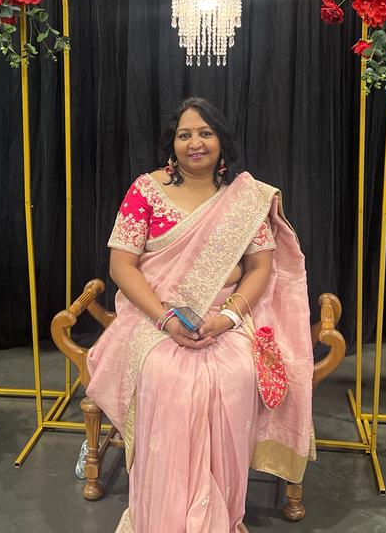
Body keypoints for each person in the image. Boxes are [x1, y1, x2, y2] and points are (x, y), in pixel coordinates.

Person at [86, 97, 314, 533]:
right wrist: (166, 319)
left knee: (235, 374)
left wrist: (228, 317)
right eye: (185, 134)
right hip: (153, 316)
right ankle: (161, 516)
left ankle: (220, 515)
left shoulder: (244, 198)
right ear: (171, 145)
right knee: (167, 377)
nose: (195, 143)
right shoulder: (146, 190)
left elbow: (261, 267)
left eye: (205, 133)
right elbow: (121, 267)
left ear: (222, 142)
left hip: (224, 316)